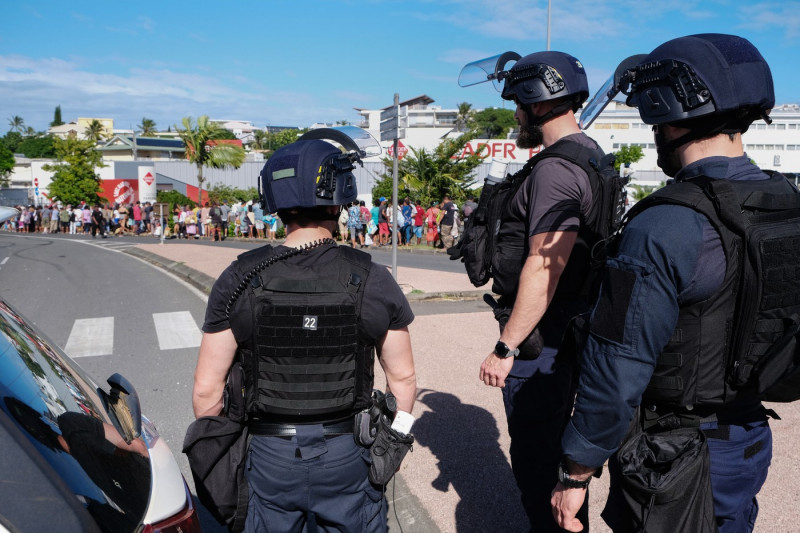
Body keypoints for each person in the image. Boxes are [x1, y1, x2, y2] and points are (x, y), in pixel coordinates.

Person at [552, 34, 792, 533]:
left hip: (677, 456)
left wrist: (577, 469)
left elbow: (618, 364)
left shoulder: (664, 225)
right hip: (748, 441)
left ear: (670, 113)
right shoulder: (784, 204)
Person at [192, 128, 417, 532]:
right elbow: (403, 378)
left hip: (269, 454)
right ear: (339, 197)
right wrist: (391, 444)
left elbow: (207, 393)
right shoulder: (372, 277)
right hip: (349, 453)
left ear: (274, 202)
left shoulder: (238, 278)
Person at [461, 49, 607, 531]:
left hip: (544, 340)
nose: (516, 116)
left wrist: (505, 348)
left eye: (517, 105)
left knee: (537, 460)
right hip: (573, 326)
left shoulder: (556, 169)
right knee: (556, 455)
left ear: (535, 101)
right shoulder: (590, 156)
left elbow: (545, 267)